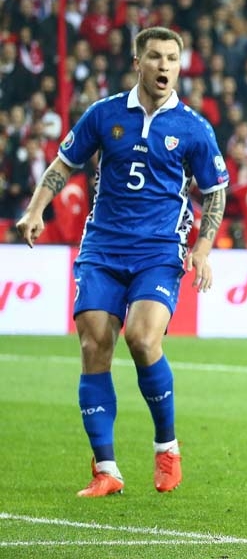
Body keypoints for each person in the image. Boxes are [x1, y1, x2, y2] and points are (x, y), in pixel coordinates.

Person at [15, 27, 229, 497]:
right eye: (156, 57)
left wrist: (203, 248)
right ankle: (106, 470)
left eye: (173, 58)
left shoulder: (193, 127)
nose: (165, 66)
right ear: (139, 62)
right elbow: (63, 164)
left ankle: (166, 447)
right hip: (103, 247)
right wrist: (35, 209)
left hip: (158, 250)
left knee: (142, 338)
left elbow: (215, 193)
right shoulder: (105, 113)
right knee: (95, 345)